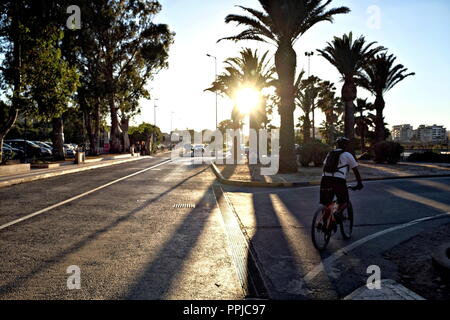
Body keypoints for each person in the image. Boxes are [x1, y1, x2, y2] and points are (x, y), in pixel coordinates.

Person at [320, 137, 363, 222]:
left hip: (325, 179)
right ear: (346, 145)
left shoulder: (330, 153)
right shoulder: (347, 154)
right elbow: (355, 170)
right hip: (338, 180)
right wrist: (359, 183)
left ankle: (323, 223)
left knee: (326, 203)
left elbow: (324, 166)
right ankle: (337, 212)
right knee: (344, 201)